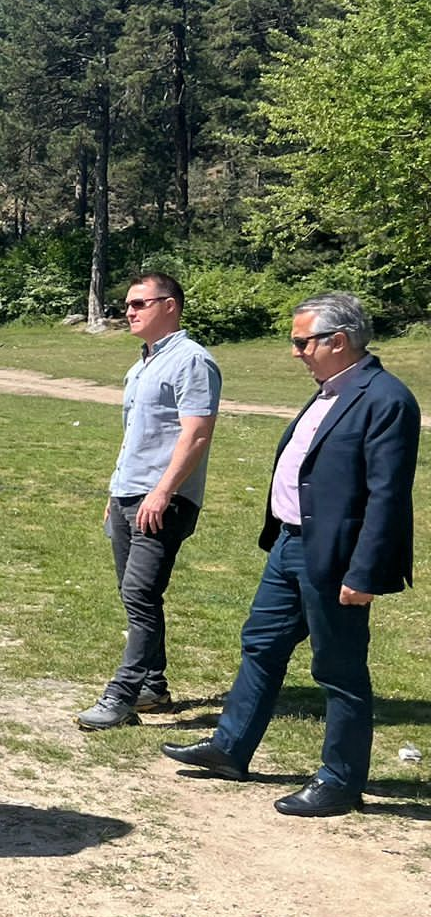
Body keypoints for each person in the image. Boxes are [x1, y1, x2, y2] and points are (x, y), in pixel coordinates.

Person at [164, 293, 419, 817]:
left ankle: (341, 781)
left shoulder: (385, 399)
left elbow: (388, 495)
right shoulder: (330, 390)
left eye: (302, 342)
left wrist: (365, 571)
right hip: (289, 544)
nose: (295, 352)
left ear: (338, 341)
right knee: (260, 643)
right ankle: (230, 748)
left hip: (336, 556)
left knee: (339, 668)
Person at [78, 273, 221, 731]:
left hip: (163, 498)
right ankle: (152, 685)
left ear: (171, 306)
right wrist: (114, 490)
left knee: (140, 593)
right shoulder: (141, 365)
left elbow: (196, 432)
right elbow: (135, 437)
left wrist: (162, 492)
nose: (130, 311)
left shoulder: (192, 361)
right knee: (133, 594)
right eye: (128, 304)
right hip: (128, 493)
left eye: (140, 303)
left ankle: (121, 695)